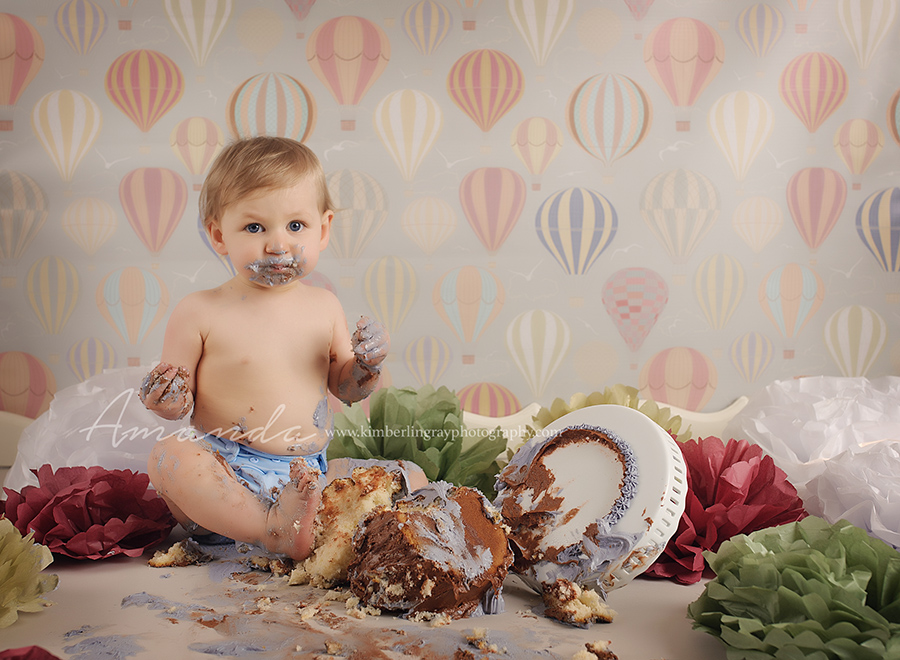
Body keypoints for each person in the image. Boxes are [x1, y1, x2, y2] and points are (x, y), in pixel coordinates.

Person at [140, 136, 420, 561]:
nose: (277, 244)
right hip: (226, 479)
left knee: (413, 478)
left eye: (295, 226)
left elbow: (346, 389)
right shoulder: (199, 311)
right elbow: (179, 403)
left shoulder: (324, 307)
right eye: (255, 228)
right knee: (168, 458)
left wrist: (366, 365)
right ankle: (268, 529)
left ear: (322, 230)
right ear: (219, 235)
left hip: (309, 477)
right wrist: (165, 397)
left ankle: (310, 523)